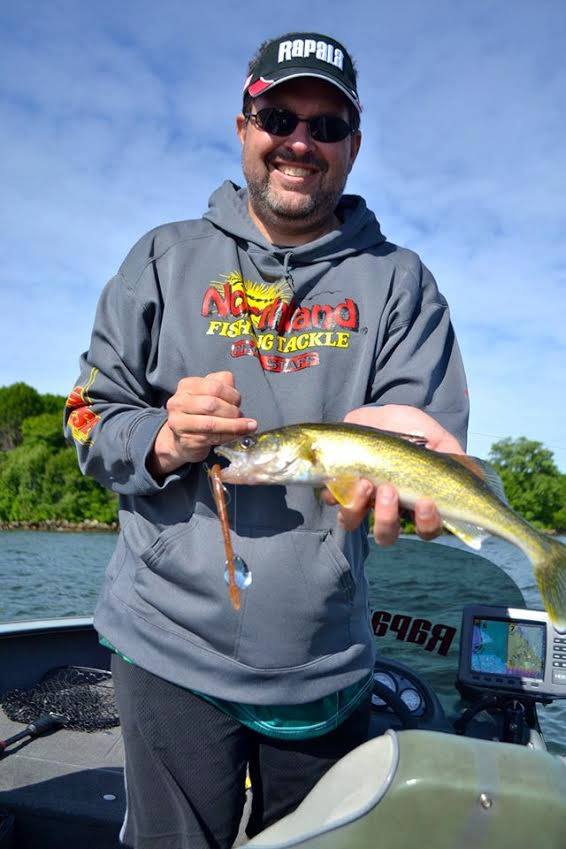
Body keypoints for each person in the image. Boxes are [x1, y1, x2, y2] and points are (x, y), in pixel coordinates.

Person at [66, 31, 468, 849]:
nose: (300, 142)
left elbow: (422, 433)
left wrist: (417, 470)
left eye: (326, 126)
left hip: (324, 663)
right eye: (279, 115)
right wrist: (164, 438)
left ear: (354, 145)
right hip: (166, 647)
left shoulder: (402, 282)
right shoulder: (160, 259)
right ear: (243, 124)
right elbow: (88, 420)